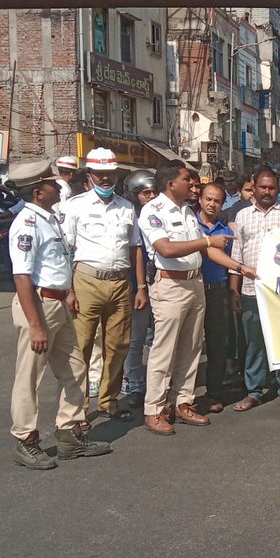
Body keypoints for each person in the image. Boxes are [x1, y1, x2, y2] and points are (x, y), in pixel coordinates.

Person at [138, 163, 256, 436]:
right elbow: (166, 248)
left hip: (194, 282)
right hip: (170, 284)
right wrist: (206, 243)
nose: (192, 185)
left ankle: (183, 402)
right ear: (171, 183)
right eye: (186, 180)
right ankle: (154, 409)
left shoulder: (187, 212)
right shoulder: (153, 210)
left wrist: (240, 267)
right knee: (164, 350)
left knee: (191, 348)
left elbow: (208, 250)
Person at [5, 164, 110, 469]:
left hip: (59, 303)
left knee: (75, 368)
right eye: (51, 183)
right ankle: (25, 439)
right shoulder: (27, 223)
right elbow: (22, 276)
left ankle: (69, 433)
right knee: (29, 376)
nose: (58, 185)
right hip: (39, 306)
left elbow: (59, 263)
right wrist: (35, 325)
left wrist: (69, 292)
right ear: (38, 193)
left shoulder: (49, 218)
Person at [61, 147, 146, 423]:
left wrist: (140, 287)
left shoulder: (126, 207)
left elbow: (135, 248)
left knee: (118, 345)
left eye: (110, 173)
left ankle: (109, 401)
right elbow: (66, 249)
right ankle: (79, 408)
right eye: (100, 174)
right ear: (90, 175)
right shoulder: (75, 206)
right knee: (82, 346)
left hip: (120, 283)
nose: (106, 179)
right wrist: (69, 290)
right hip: (87, 280)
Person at [230, 167, 280, 414]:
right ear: (253, 188)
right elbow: (236, 254)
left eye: (271, 187)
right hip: (251, 290)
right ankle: (254, 391)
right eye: (262, 187)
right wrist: (234, 290)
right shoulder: (242, 215)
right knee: (254, 343)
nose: (266, 191)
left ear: (278, 189)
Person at [120, 170, 157, 406]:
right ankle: (134, 382)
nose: (151, 197)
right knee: (135, 338)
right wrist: (138, 287)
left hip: (160, 284)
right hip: (137, 286)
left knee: (156, 339)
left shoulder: (160, 215)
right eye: (145, 193)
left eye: (154, 192)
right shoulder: (129, 218)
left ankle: (156, 382)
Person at [197, 183, 234, 414]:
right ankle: (182, 396)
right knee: (189, 345)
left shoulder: (225, 230)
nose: (212, 204)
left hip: (218, 289)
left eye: (217, 201)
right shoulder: (190, 224)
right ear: (200, 200)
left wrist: (232, 291)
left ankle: (214, 393)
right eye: (208, 199)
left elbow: (230, 263)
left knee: (217, 344)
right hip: (193, 288)